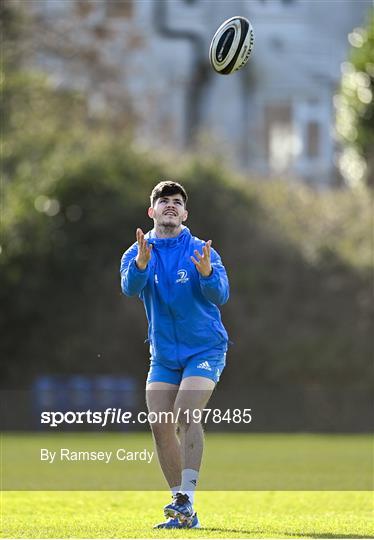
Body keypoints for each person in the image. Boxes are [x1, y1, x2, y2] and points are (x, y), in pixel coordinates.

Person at [120, 181, 230, 529]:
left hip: (205, 348)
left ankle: (188, 498)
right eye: (163, 201)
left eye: (177, 202)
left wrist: (208, 274)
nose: (170, 206)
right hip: (164, 355)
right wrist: (139, 264)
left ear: (185, 213)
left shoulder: (201, 250)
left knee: (185, 412)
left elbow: (221, 295)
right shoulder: (137, 251)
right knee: (159, 423)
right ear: (152, 211)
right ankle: (182, 506)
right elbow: (129, 288)